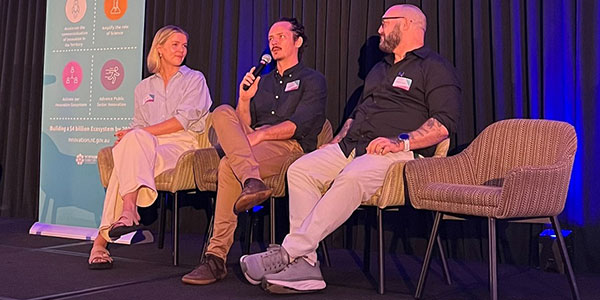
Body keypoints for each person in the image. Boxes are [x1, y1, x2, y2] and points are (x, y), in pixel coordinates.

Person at [240, 4, 461, 294]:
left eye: (385, 23)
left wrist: (401, 141)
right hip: (353, 145)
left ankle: (288, 253)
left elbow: (444, 123)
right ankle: (306, 265)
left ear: (407, 24)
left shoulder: (434, 66)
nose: (379, 30)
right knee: (301, 169)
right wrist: (335, 144)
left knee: (354, 175)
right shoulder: (380, 69)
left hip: (400, 153)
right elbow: (358, 113)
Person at [181, 17, 327, 285]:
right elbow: (244, 124)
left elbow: (301, 124)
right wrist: (245, 99)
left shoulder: (313, 80)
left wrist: (260, 135)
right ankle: (252, 180)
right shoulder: (263, 80)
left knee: (228, 166)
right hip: (252, 148)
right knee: (223, 111)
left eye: (280, 36)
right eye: (270, 38)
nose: (273, 42)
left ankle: (215, 258)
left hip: (290, 149)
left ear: (298, 41)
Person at [88, 25, 212, 269]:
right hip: (148, 145)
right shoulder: (143, 87)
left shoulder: (194, 79)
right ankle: (126, 214)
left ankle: (102, 241)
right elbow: (139, 124)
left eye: (184, 45)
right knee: (130, 145)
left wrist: (136, 135)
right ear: (160, 49)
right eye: (175, 44)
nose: (181, 50)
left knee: (131, 149)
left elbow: (181, 122)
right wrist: (129, 137)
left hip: (183, 147)